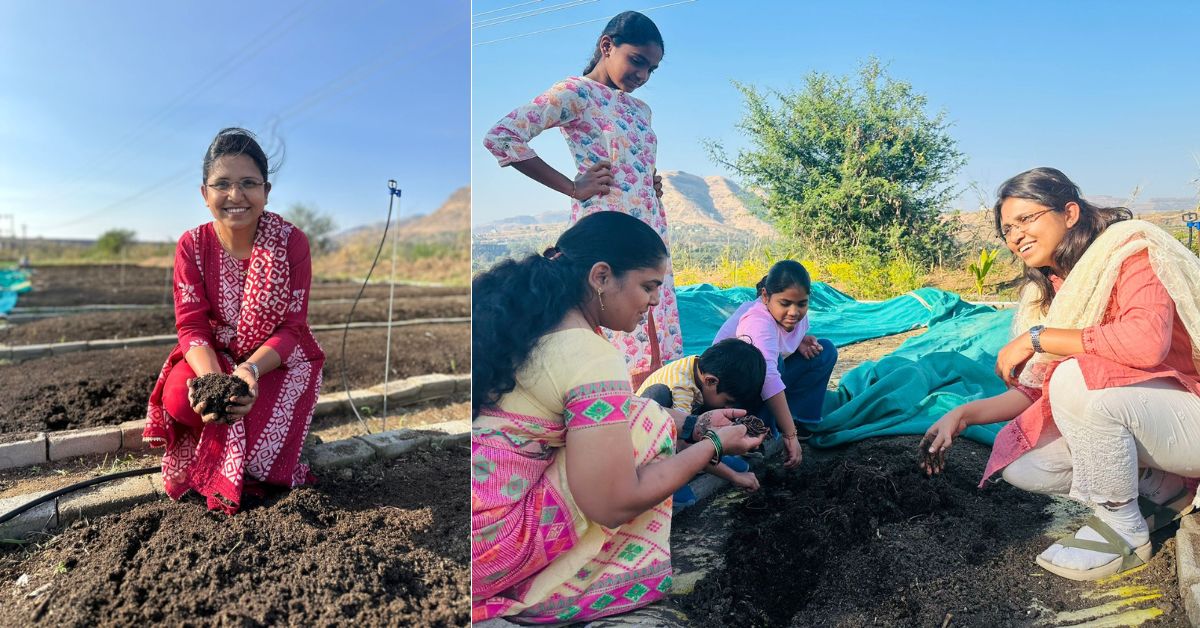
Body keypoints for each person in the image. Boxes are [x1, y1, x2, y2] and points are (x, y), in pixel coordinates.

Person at [471, 211, 764, 623]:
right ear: (602, 277)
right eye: (648, 286)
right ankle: (565, 586)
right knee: (642, 431)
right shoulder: (591, 356)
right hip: (492, 548)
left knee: (641, 414)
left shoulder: (528, 325)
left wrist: (694, 426)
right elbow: (613, 503)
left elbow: (628, 409)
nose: (655, 302)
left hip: (472, 521)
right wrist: (715, 445)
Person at [922, 167, 1200, 581]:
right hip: (1157, 427)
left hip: (1188, 414)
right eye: (1007, 229)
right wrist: (960, 416)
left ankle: (1123, 526)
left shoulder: (1129, 253)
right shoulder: (1050, 289)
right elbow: (1039, 393)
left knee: (1074, 376)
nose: (1015, 236)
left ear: (1069, 213)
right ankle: (1166, 491)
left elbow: (1145, 342)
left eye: (1026, 219)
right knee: (1024, 464)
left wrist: (1040, 338)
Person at [482, 10, 681, 387]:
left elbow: (630, 162)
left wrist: (647, 183)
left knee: (653, 323)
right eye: (637, 61)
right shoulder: (576, 93)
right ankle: (613, 420)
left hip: (650, 226)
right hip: (606, 229)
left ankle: (654, 423)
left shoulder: (641, 110)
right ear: (607, 46)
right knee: (616, 322)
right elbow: (502, 136)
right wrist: (572, 187)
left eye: (651, 69)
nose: (642, 75)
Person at [142, 128, 324, 515]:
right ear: (204, 193)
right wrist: (215, 383)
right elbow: (191, 327)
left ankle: (262, 446)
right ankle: (222, 436)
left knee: (257, 433)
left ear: (267, 190)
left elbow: (293, 327)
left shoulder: (292, 243)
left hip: (274, 359)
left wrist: (250, 372)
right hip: (215, 352)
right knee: (182, 400)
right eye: (221, 184)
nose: (236, 196)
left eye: (248, 183)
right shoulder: (191, 246)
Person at [713, 260, 838, 469]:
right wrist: (790, 436)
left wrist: (800, 342)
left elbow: (780, 338)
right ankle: (756, 430)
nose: (794, 312)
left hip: (760, 379)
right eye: (785, 303)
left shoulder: (796, 318)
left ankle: (799, 421)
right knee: (772, 365)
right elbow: (767, 375)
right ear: (765, 296)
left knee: (825, 351)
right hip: (730, 394)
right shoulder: (756, 321)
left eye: (801, 304)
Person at [638, 338, 767, 500]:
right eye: (728, 401)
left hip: (679, 421)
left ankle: (714, 458)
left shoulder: (700, 368)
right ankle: (662, 478)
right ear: (711, 381)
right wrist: (734, 476)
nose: (728, 408)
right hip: (644, 443)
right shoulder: (682, 388)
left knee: (711, 407)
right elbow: (684, 445)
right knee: (660, 394)